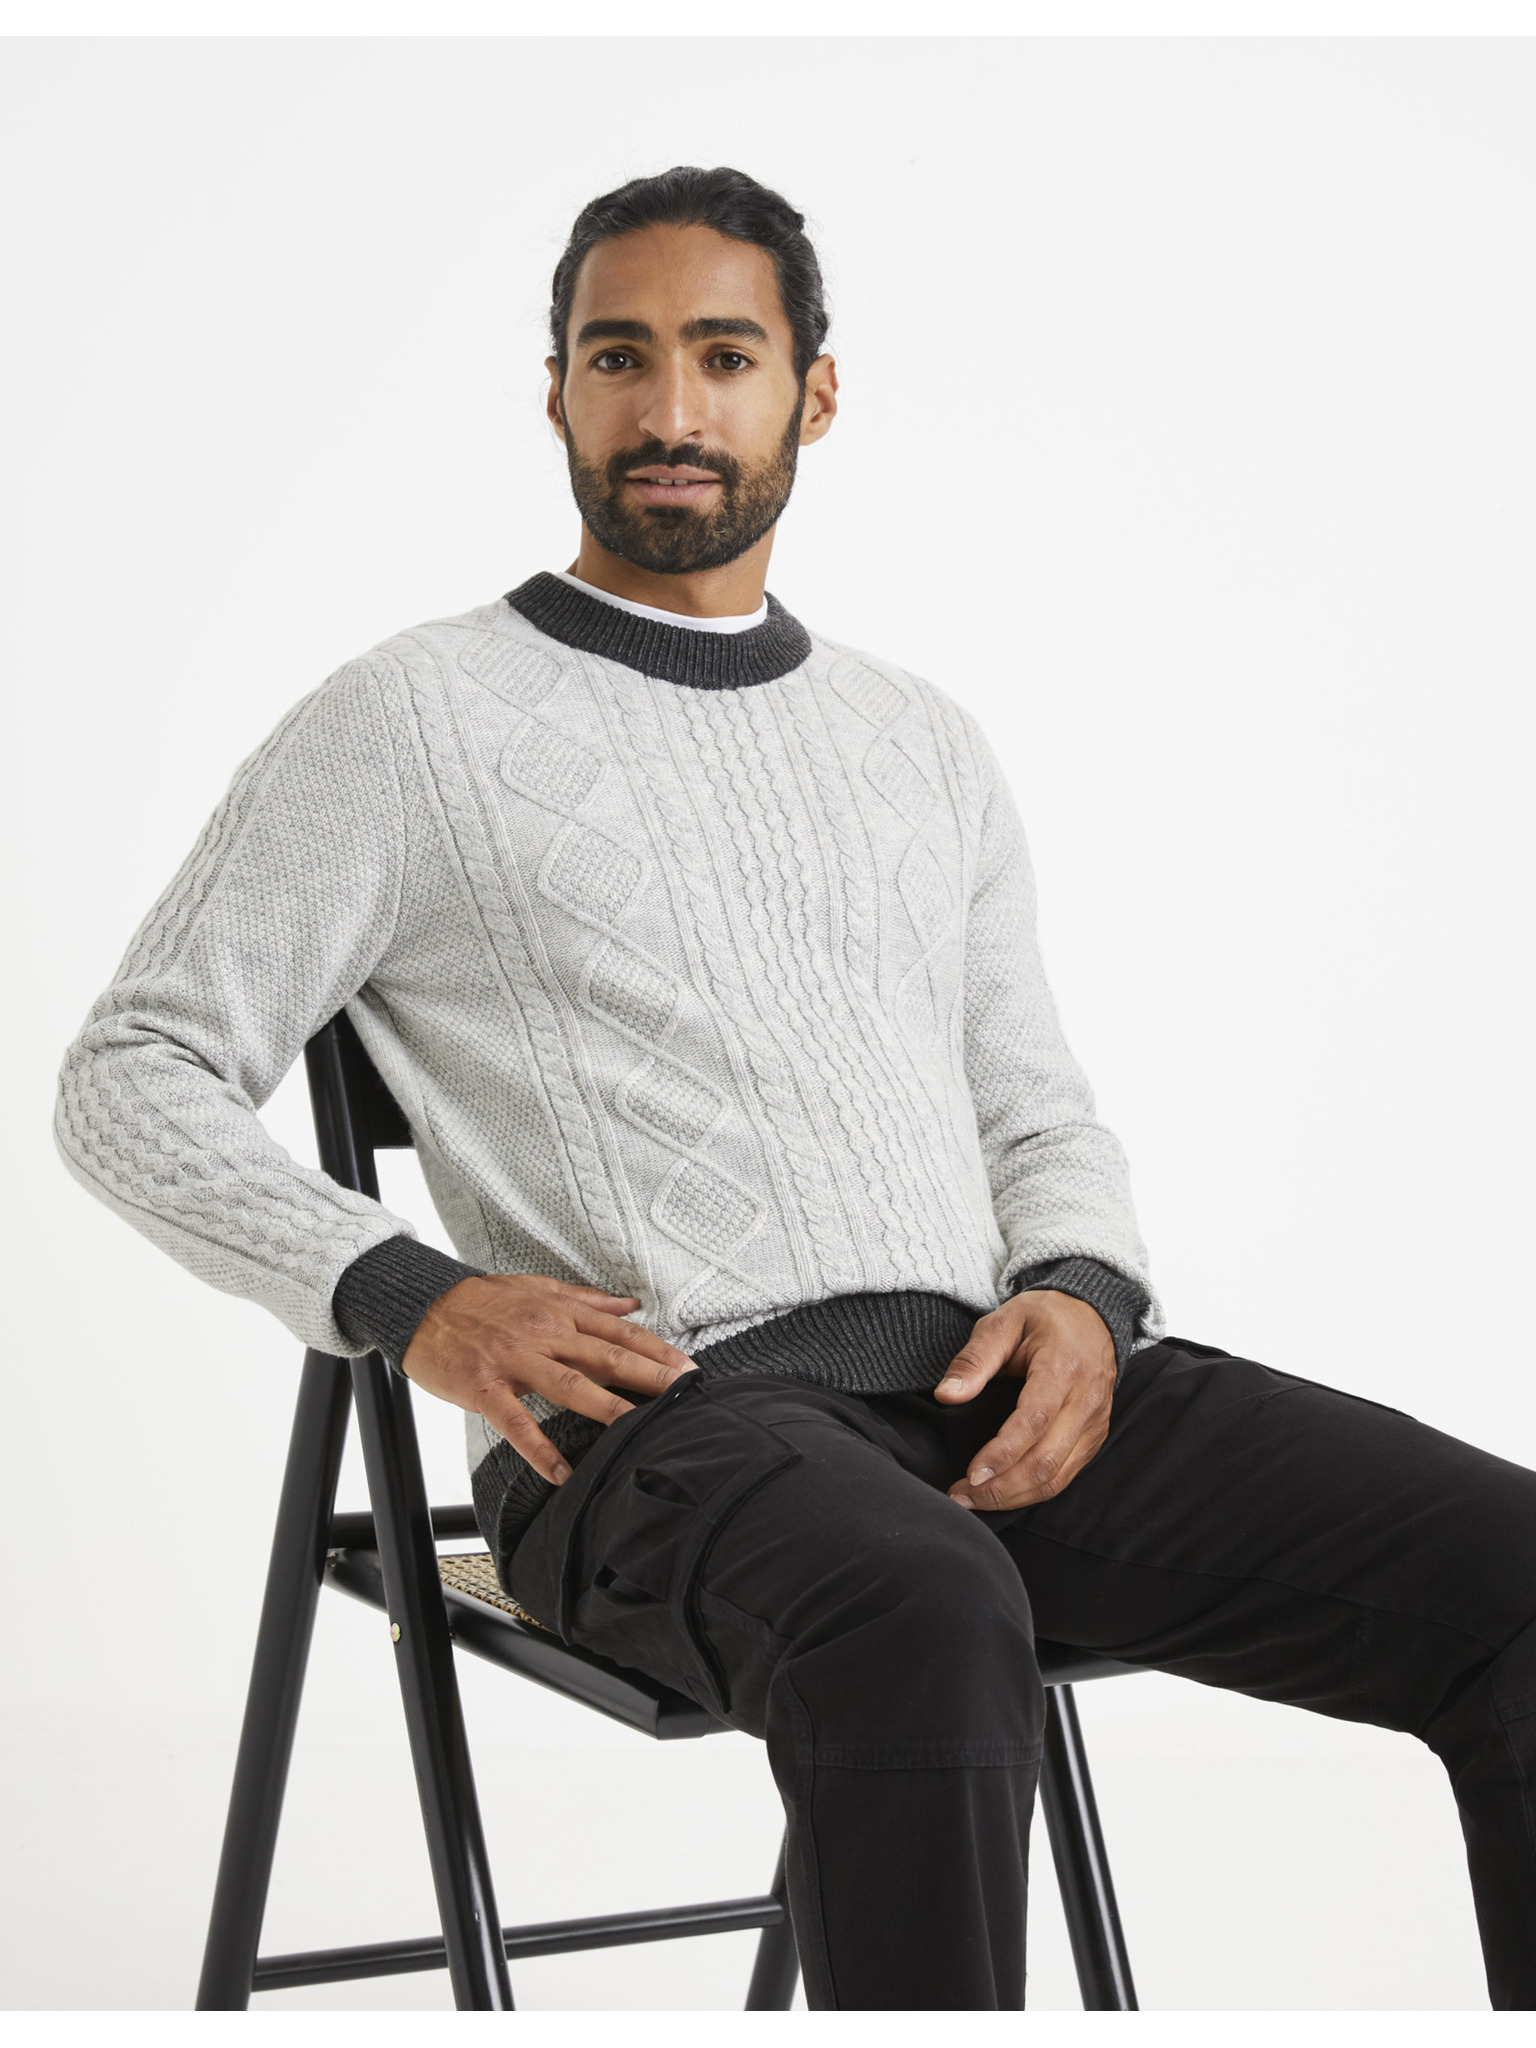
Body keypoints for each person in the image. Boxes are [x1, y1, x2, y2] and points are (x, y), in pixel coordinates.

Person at [55, 165, 1536, 2013]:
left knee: (1516, 1578)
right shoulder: (407, 720)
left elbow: (1035, 1105)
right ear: (557, 393)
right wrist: (414, 1297)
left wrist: (1086, 1293)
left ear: (811, 395)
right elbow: (131, 1070)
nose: (671, 409)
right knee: (924, 1607)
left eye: (725, 356)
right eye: (620, 358)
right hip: (663, 1433)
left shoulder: (921, 742)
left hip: (985, 1399)